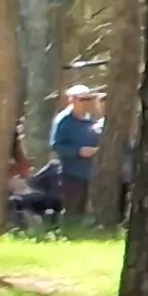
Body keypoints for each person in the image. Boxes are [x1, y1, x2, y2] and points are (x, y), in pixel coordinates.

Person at [48, 84, 105, 219]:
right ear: (72, 100)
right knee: (71, 208)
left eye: (88, 99)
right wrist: (78, 151)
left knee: (83, 209)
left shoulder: (89, 119)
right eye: (82, 100)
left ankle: (79, 234)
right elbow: (55, 145)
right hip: (71, 172)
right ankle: (67, 235)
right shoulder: (63, 121)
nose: (86, 103)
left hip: (89, 172)